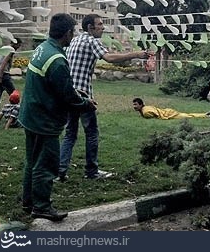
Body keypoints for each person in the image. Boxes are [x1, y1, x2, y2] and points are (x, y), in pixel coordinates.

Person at [58, 14, 154, 181]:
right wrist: (136, 54)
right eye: (100, 24)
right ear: (90, 27)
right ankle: (91, 172)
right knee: (92, 133)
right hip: (83, 96)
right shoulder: (91, 40)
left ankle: (60, 171)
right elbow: (110, 58)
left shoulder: (75, 40)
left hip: (69, 94)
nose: (103, 28)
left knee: (70, 134)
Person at [20, 13, 97, 222]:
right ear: (67, 33)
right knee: (45, 165)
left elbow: (59, 87)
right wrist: (85, 103)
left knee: (32, 161)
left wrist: (76, 94)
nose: (75, 35)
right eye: (74, 31)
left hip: (30, 115)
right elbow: (67, 96)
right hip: (44, 120)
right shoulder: (57, 60)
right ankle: (42, 207)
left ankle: (28, 201)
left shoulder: (42, 49)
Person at [0, 38, 22, 124]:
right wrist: (0, 76)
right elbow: (4, 63)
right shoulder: (11, 50)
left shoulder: (3, 48)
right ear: (15, 44)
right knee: (15, 95)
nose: (19, 47)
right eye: (19, 45)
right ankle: (17, 115)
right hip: (3, 75)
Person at [132, 98, 210, 119]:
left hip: (169, 114)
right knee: (187, 115)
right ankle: (206, 114)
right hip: (168, 111)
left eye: (136, 105)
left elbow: (155, 115)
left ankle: (207, 115)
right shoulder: (145, 108)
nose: (134, 106)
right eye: (134, 105)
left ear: (141, 104)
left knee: (188, 116)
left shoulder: (146, 112)